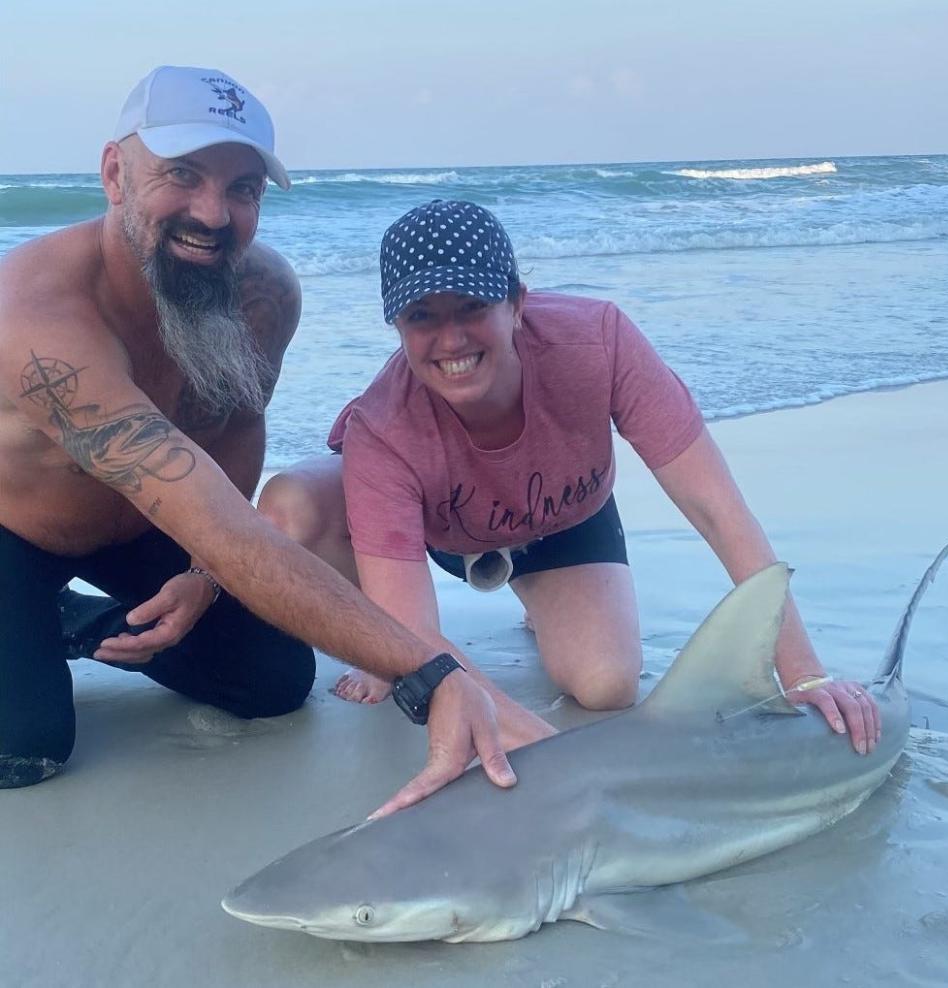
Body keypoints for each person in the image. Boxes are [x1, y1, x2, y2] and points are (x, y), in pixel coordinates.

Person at [0, 70, 552, 805]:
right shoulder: (37, 320)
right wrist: (433, 673)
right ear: (114, 174)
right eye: (183, 176)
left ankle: (72, 623)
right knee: (28, 747)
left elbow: (234, 429)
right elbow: (227, 526)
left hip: (139, 528)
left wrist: (203, 573)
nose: (213, 213)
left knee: (272, 681)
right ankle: (32, 624)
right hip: (15, 528)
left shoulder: (262, 297)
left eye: (243, 189)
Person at [259, 199, 881, 754]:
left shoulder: (598, 343)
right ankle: (372, 635)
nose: (450, 339)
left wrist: (804, 673)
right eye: (422, 316)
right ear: (395, 324)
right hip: (437, 532)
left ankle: (536, 604)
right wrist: (555, 757)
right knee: (298, 523)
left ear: (517, 301)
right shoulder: (382, 426)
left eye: (472, 306)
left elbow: (717, 508)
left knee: (606, 684)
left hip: (562, 524)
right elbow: (419, 640)